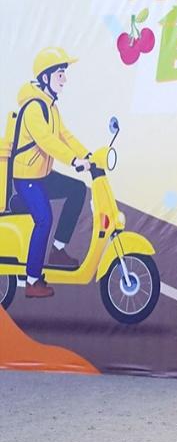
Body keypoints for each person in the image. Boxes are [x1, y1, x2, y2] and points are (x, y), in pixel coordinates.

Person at [6, 47, 91, 299]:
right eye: (60, 74)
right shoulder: (34, 108)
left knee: (77, 190)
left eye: (64, 74)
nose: (64, 79)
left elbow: (65, 135)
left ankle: (58, 249)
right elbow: (46, 141)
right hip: (26, 179)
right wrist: (73, 160)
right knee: (44, 219)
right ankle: (33, 281)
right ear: (45, 77)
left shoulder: (51, 107)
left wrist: (88, 155)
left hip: (42, 176)